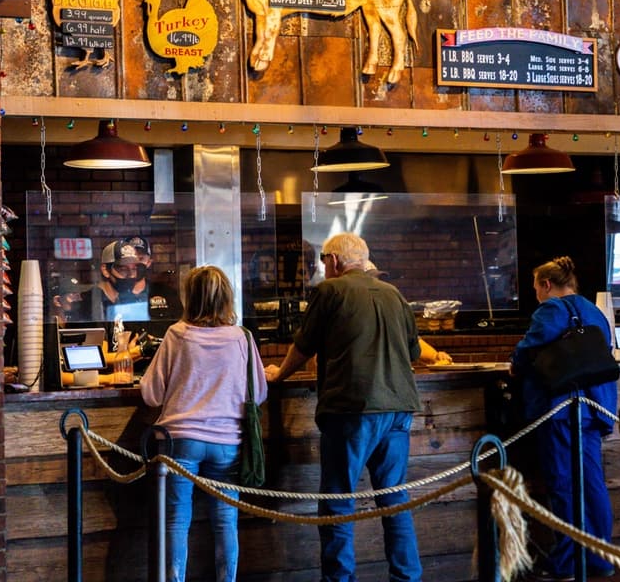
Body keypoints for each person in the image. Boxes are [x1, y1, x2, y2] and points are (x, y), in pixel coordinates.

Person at [264, 232, 423, 582]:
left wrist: (279, 374)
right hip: (399, 408)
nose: (324, 268)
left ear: (333, 261)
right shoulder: (394, 294)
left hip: (352, 408)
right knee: (395, 499)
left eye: (324, 261)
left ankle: (339, 579)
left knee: (338, 500)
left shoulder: (330, 291)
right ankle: (407, 577)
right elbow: (414, 352)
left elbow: (304, 345)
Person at [140, 265, 267, 582]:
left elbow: (151, 394)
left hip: (180, 441)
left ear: (190, 297)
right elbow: (259, 392)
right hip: (228, 442)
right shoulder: (242, 338)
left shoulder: (177, 334)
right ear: (227, 297)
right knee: (225, 520)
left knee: (176, 520)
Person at [509, 255, 618, 582]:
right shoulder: (594, 311)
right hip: (593, 408)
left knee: (563, 484)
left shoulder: (551, 310)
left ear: (546, 285)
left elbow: (527, 350)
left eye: (535, 289)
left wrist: (514, 363)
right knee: (592, 484)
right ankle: (601, 558)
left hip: (560, 409)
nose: (536, 295)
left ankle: (568, 563)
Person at [363, 260, 452, 367]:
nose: (376, 284)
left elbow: (410, 340)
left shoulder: (388, 305)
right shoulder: (355, 311)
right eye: (370, 279)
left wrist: (435, 356)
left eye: (377, 279)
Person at [91, 236, 182, 327]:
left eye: (140, 259)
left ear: (149, 262)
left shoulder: (165, 293)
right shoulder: (108, 296)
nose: (131, 272)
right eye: (124, 266)